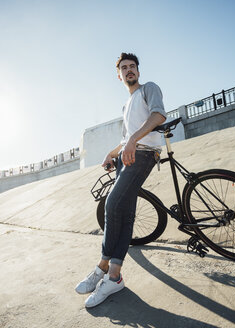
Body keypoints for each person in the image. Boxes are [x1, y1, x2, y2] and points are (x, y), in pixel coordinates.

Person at [75, 52, 166, 307]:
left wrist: (134, 141)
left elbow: (159, 116)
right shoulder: (126, 105)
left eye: (132, 67)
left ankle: (102, 267)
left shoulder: (149, 89)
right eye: (124, 68)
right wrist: (111, 153)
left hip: (144, 154)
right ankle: (114, 276)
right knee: (124, 214)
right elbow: (125, 140)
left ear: (138, 71)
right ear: (119, 76)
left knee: (112, 204)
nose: (129, 70)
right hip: (126, 156)